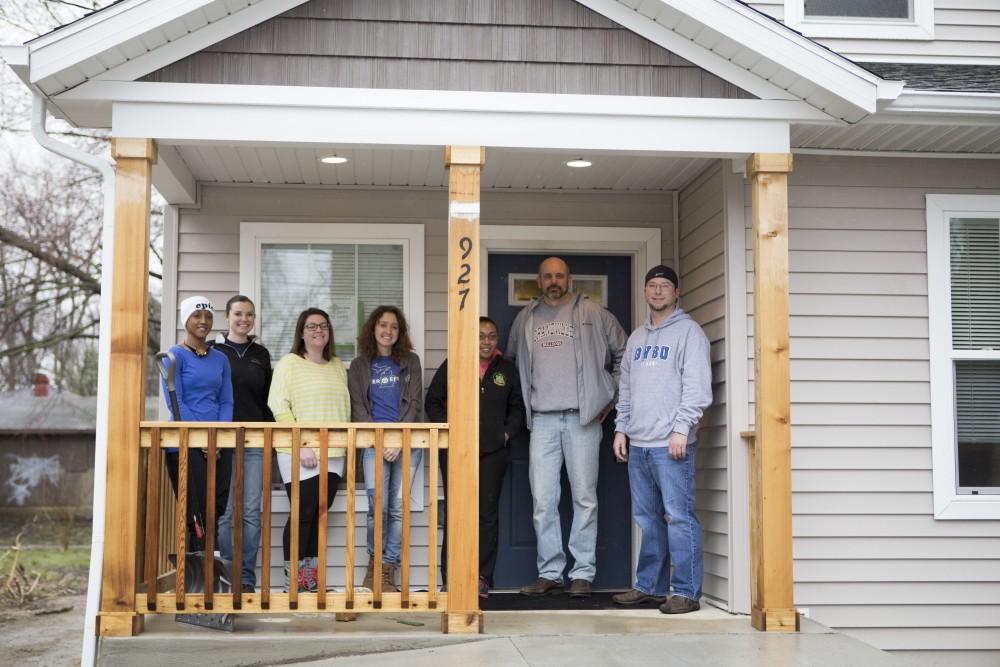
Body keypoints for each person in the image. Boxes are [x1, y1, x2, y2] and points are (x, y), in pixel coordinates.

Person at [506, 257, 627, 598]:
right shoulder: (525, 318)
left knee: (584, 498)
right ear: (539, 281)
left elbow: (624, 356)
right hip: (541, 421)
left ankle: (583, 573)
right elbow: (514, 364)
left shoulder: (596, 314)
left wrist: (609, 398)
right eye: (547, 276)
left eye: (559, 275)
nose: (554, 281)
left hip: (582, 419)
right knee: (543, 501)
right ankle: (550, 573)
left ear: (569, 279)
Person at [611, 265, 712, 614]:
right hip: (638, 444)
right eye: (652, 286)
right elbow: (625, 389)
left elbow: (697, 390)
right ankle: (649, 587)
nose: (657, 292)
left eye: (664, 286)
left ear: (676, 292)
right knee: (647, 518)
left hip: (671, 445)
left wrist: (681, 429)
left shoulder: (689, 334)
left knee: (679, 517)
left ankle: (686, 592)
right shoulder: (637, 338)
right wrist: (621, 428)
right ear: (644, 291)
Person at [425, 316, 526, 598]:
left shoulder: (505, 369)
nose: (486, 341)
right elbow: (432, 401)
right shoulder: (454, 363)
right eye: (481, 336)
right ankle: (452, 577)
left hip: (494, 452)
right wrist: (452, 429)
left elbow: (517, 408)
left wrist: (505, 434)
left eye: (491, 336)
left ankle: (482, 577)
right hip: (457, 452)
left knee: (486, 515)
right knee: (456, 513)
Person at [267, 307, 349, 592]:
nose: (319, 330)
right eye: (312, 326)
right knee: (303, 513)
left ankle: (309, 577)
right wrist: (300, 442)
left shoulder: (337, 365)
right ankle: (293, 580)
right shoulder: (289, 363)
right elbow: (278, 405)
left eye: (324, 325)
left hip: (335, 454)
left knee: (319, 514)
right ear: (301, 332)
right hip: (299, 452)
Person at [348, 306, 423, 592]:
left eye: (393, 326)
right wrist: (383, 441)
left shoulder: (410, 362)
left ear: (399, 332)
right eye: (382, 325)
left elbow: (415, 403)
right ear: (373, 329)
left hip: (409, 445)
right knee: (376, 507)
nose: (388, 331)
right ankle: (373, 567)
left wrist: (398, 439)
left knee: (398, 509)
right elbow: (358, 408)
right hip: (373, 444)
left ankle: (387, 571)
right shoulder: (359, 366)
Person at [162, 296, 234, 553]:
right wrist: (204, 438)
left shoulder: (221, 359)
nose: (203, 321)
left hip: (218, 442)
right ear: (186, 320)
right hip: (185, 442)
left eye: (208, 317)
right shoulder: (173, 356)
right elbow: (176, 402)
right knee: (195, 512)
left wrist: (218, 437)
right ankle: (195, 572)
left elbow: (226, 402)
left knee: (217, 508)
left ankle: (211, 570)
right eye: (196, 316)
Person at [214, 295, 273, 594]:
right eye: (238, 314)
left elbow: (267, 402)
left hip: (255, 441)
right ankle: (226, 576)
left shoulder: (260, 354)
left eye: (249, 314)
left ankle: (246, 580)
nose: (244, 319)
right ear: (227, 317)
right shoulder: (213, 351)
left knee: (251, 512)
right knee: (225, 512)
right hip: (222, 442)